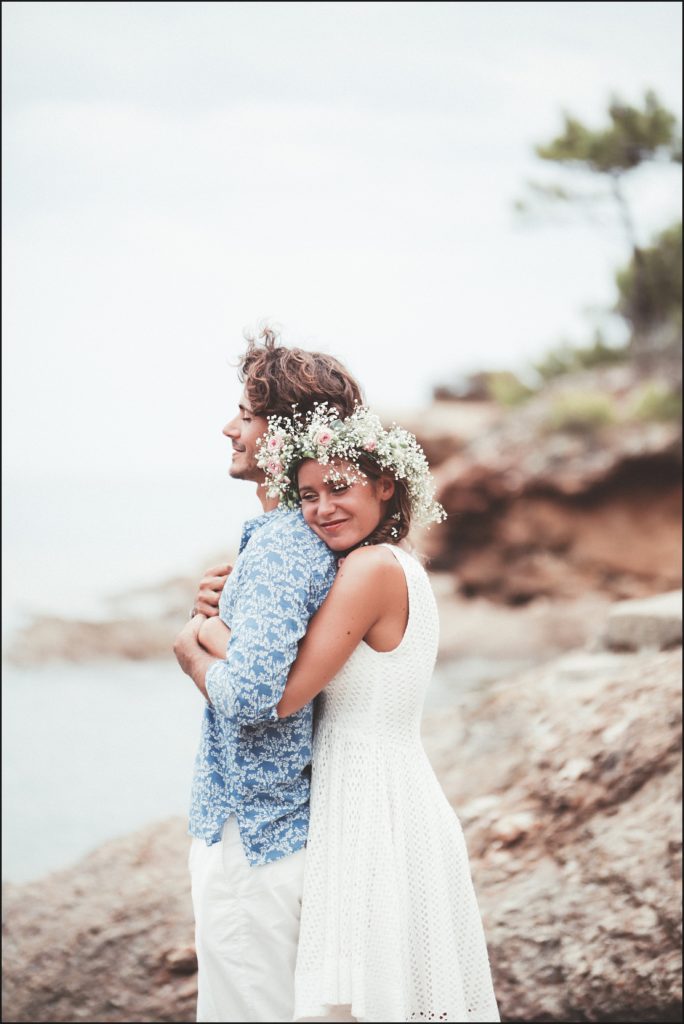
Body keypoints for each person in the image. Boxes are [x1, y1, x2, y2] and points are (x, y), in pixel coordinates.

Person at [197, 404, 501, 1023]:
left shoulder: (369, 570)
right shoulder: (393, 567)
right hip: (380, 790)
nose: (322, 508)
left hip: (372, 800)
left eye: (339, 487)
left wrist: (199, 641)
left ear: (386, 486)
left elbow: (279, 691)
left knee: (367, 999)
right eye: (307, 495)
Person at [173, 326, 363, 1024]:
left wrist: (193, 650)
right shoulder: (289, 537)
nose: (229, 428)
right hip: (272, 833)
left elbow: (255, 699)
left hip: (252, 839)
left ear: (288, 435)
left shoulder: (286, 543)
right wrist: (218, 623)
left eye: (247, 416)